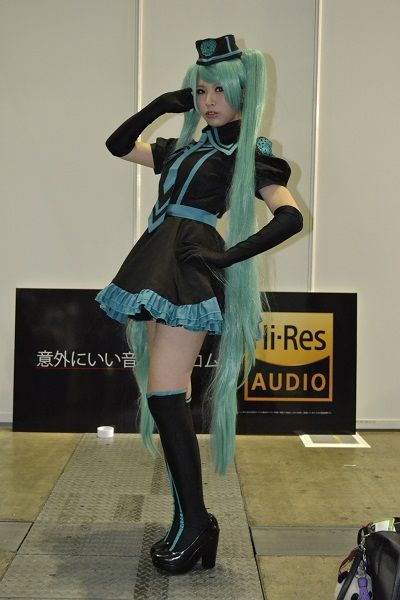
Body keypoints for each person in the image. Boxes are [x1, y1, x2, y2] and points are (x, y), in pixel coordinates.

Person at [96, 34, 303, 574]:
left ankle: (195, 523)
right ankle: (192, 521)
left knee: (165, 395)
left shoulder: (248, 155)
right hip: (155, 262)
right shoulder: (183, 147)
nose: (209, 101)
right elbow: (118, 145)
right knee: (166, 394)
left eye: (220, 91)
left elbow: (290, 216)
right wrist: (161, 105)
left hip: (187, 271)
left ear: (244, 94)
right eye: (201, 90)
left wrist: (227, 256)